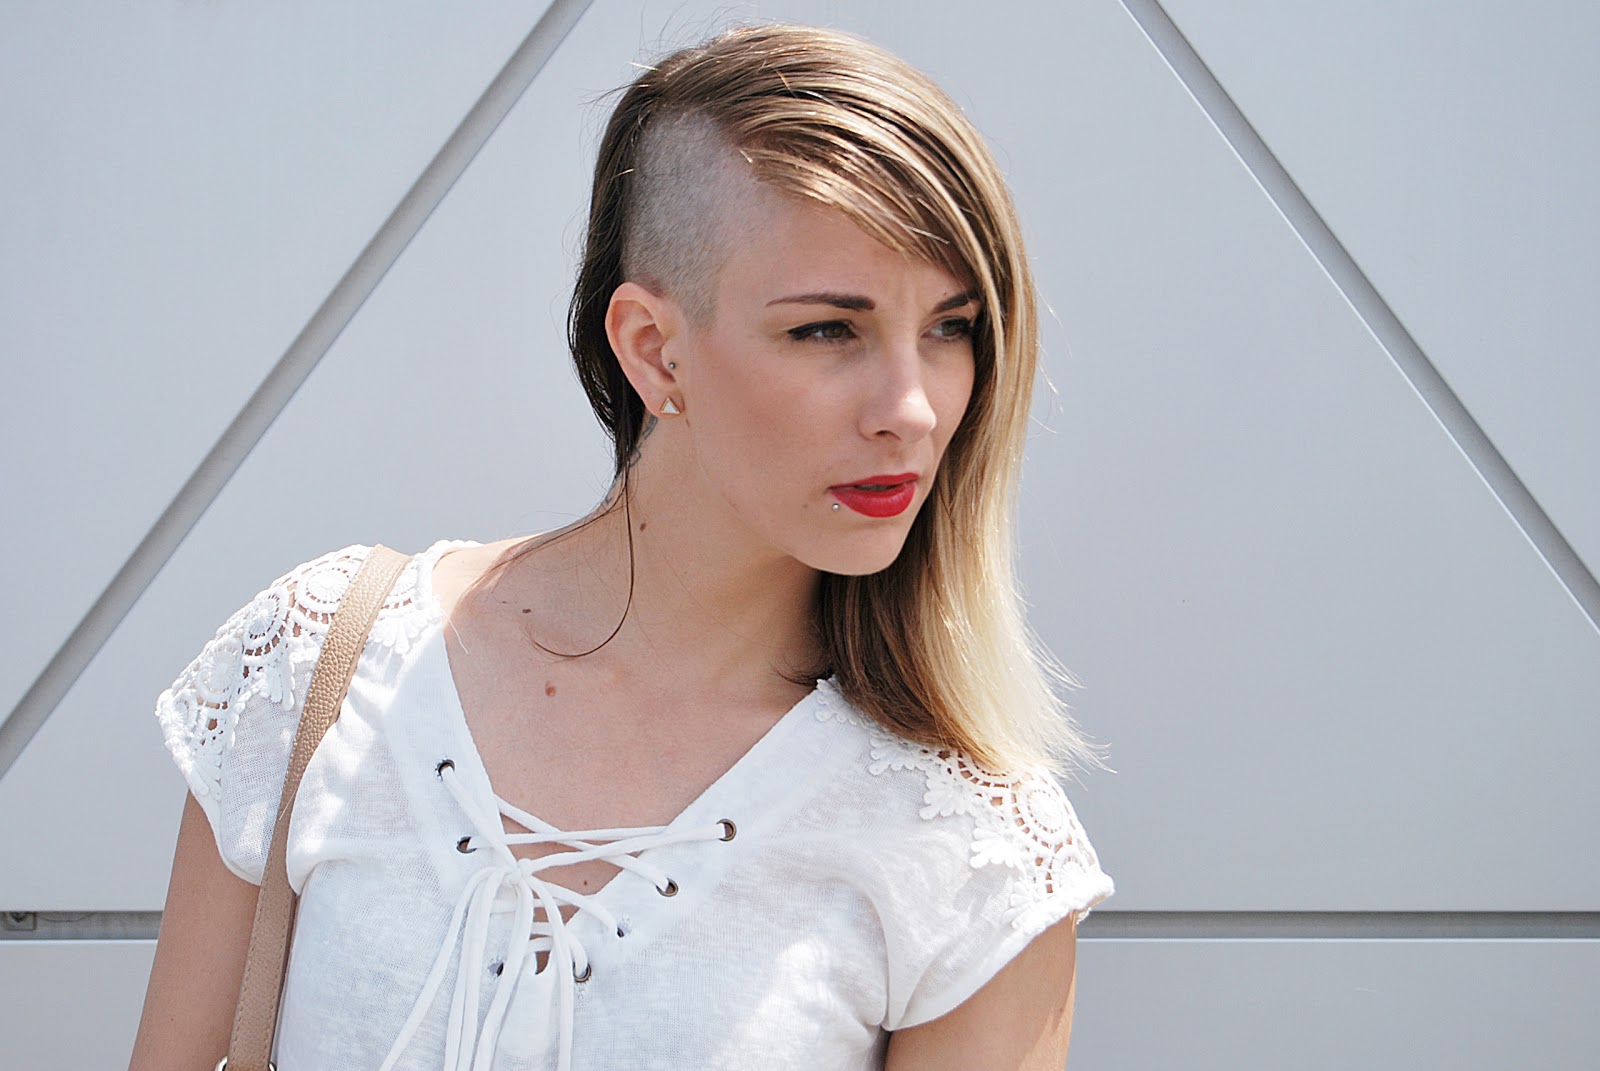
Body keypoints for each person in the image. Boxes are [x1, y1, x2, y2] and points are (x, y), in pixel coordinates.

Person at [130, 23, 1113, 1071]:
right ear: (653, 348)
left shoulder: (975, 844)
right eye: (828, 329)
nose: (911, 409)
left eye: (951, 328)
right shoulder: (321, 663)